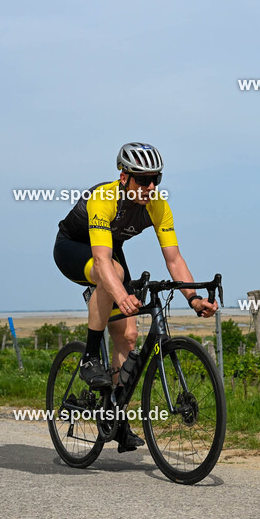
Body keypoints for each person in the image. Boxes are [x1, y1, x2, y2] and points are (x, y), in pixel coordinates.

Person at [53, 142, 218, 452]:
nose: (150, 186)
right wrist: (120, 293)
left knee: (128, 336)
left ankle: (116, 419)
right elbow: (101, 261)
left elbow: (174, 259)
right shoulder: (103, 198)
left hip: (109, 251)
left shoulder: (157, 205)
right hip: (72, 248)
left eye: (156, 179)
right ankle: (89, 357)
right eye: (143, 179)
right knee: (112, 273)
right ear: (124, 177)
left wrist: (193, 298)